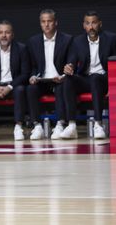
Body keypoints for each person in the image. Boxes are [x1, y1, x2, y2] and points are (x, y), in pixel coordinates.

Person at [60, 11, 116, 139]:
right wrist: (69, 66)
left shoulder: (111, 39)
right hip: (86, 79)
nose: (91, 27)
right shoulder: (78, 41)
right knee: (68, 80)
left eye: (94, 23)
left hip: (104, 80)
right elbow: (72, 60)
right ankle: (71, 125)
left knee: (95, 77)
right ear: (84, 26)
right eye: (88, 23)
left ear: (100, 24)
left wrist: (113, 85)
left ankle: (98, 124)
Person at [26, 9, 72, 140]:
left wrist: (63, 76)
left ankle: (60, 124)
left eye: (49, 21)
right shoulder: (33, 41)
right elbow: (33, 65)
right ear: (40, 23)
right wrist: (33, 76)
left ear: (56, 22)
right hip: (42, 80)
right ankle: (37, 126)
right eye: (43, 21)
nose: (46, 24)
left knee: (61, 88)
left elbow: (71, 62)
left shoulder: (67, 39)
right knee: (31, 89)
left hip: (59, 79)